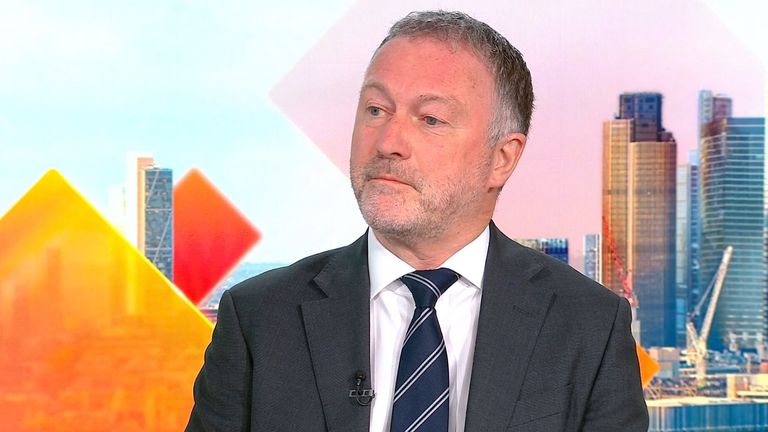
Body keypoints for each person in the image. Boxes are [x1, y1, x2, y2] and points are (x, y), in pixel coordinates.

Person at [185, 10, 648, 432]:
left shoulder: (589, 327)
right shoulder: (259, 319)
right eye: (375, 110)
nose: (388, 142)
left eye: (429, 119)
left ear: (502, 158)